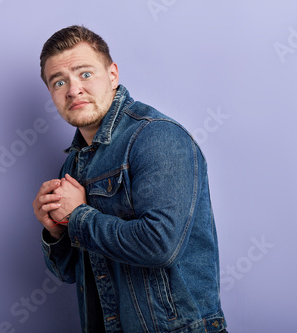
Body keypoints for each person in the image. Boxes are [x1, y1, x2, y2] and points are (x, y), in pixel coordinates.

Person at [32, 25, 228, 333]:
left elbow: (160, 245)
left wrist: (78, 216)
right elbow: (71, 272)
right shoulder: (72, 164)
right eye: (59, 82)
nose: (73, 90)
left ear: (112, 75)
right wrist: (55, 232)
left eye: (85, 74)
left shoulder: (157, 136)